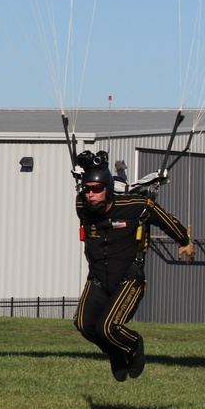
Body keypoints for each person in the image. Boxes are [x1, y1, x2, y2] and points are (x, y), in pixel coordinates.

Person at [74, 150, 194, 382]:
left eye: (97, 189)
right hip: (98, 279)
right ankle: (115, 353)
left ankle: (134, 345)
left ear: (108, 189)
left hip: (128, 279)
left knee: (108, 328)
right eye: (87, 189)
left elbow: (162, 217)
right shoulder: (82, 206)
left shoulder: (135, 206)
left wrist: (184, 241)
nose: (91, 195)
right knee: (84, 324)